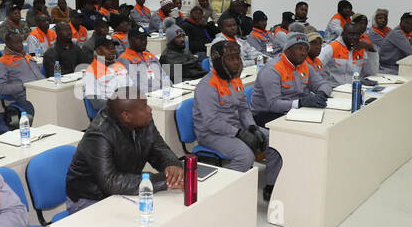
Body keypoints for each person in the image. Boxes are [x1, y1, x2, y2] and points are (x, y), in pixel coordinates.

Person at [194, 40, 282, 200]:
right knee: (245, 156)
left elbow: (243, 108)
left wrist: (252, 127)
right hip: (211, 133)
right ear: (218, 61)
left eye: (238, 58)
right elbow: (211, 122)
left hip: (236, 127)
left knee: (274, 141)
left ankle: (271, 186)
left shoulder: (234, 79)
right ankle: (221, 194)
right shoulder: (207, 86)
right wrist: (240, 133)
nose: (236, 62)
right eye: (231, 59)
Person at [65, 97, 183, 213]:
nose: (149, 109)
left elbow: (158, 148)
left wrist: (172, 165)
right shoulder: (99, 136)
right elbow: (111, 182)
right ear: (126, 116)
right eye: (144, 107)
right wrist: (164, 180)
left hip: (124, 189)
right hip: (90, 198)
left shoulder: (143, 120)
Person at [250, 32, 329, 125]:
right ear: (287, 49)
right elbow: (274, 104)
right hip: (267, 114)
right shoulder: (272, 70)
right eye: (299, 49)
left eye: (306, 49)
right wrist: (301, 103)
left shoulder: (304, 65)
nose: (303, 53)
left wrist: (321, 94)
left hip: (295, 111)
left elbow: (323, 84)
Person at [0, 30, 45, 117]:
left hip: (42, 90)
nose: (20, 45)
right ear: (8, 44)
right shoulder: (1, 63)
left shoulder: (28, 57)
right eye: (16, 43)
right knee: (46, 109)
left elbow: (39, 75)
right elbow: (1, 88)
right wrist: (23, 85)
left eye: (20, 42)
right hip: (25, 96)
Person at [320, 21, 380, 87]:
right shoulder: (332, 47)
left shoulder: (362, 48)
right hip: (334, 87)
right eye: (351, 34)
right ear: (343, 34)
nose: (354, 37)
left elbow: (372, 72)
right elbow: (316, 67)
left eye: (357, 34)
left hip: (355, 87)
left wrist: (371, 49)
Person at [82, 33, 129, 111]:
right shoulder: (91, 72)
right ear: (98, 51)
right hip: (110, 112)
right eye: (108, 48)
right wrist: (120, 105)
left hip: (127, 107)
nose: (112, 51)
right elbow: (96, 103)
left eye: (113, 48)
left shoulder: (120, 65)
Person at [118, 26, 164, 92]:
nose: (143, 41)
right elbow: (135, 85)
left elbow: (163, 75)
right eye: (139, 39)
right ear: (130, 40)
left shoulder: (149, 55)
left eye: (145, 38)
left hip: (161, 93)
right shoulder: (124, 59)